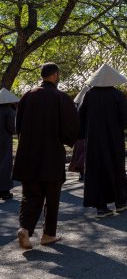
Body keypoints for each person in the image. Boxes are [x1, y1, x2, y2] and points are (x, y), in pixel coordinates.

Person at [12, 63, 79, 249]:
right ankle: (48, 234)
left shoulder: (27, 96)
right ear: (55, 75)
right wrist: (70, 140)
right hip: (51, 154)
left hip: (28, 154)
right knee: (52, 196)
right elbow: (71, 127)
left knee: (30, 194)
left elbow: (19, 126)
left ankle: (25, 229)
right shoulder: (60, 97)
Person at [80, 64, 127, 218]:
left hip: (94, 139)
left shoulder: (89, 95)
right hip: (114, 138)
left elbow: (80, 115)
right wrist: (117, 128)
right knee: (116, 168)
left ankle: (101, 206)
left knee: (97, 170)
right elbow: (126, 118)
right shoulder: (118, 95)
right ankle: (120, 202)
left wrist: (87, 131)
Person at [0, 89, 19, 201]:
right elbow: (12, 128)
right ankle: (4, 190)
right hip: (4, 140)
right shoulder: (9, 110)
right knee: (5, 164)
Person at [68, 87, 89, 181]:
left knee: (80, 154)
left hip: (79, 135)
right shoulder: (86, 106)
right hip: (85, 134)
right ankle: (83, 172)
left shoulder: (76, 107)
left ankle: (82, 173)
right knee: (84, 154)